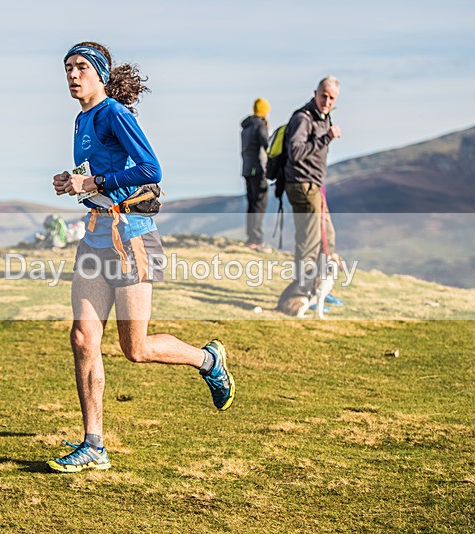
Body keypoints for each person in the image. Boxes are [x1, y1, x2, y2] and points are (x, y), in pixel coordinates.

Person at [48, 42, 235, 473]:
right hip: (95, 235)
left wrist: (94, 178)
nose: (73, 75)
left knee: (136, 348)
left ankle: (208, 360)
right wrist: (72, 181)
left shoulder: (114, 113)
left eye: (81, 67)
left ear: (99, 74)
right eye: (67, 68)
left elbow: (151, 169)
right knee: (82, 338)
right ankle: (93, 444)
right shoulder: (81, 119)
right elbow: (99, 178)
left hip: (131, 239)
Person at [281, 76, 344, 305]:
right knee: (310, 241)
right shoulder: (303, 118)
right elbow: (296, 151)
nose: (327, 101)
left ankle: (319, 289)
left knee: (328, 238)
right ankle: (299, 293)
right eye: (324, 95)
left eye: (332, 98)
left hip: (315, 185)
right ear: (315, 93)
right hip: (302, 185)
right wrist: (326, 138)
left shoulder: (324, 117)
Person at [240, 98, 272, 253]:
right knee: (260, 203)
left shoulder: (246, 126)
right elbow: (267, 145)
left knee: (252, 204)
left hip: (247, 169)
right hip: (257, 169)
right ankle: (257, 240)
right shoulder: (260, 125)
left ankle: (251, 238)